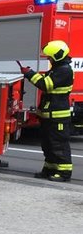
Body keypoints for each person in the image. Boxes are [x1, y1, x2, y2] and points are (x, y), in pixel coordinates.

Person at [23, 40, 73, 182]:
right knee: (48, 144)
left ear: (57, 56)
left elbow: (46, 85)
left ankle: (64, 172)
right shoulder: (57, 69)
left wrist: (30, 73)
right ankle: (50, 168)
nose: (49, 59)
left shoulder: (64, 70)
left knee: (58, 144)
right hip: (50, 116)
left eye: (50, 57)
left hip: (58, 116)